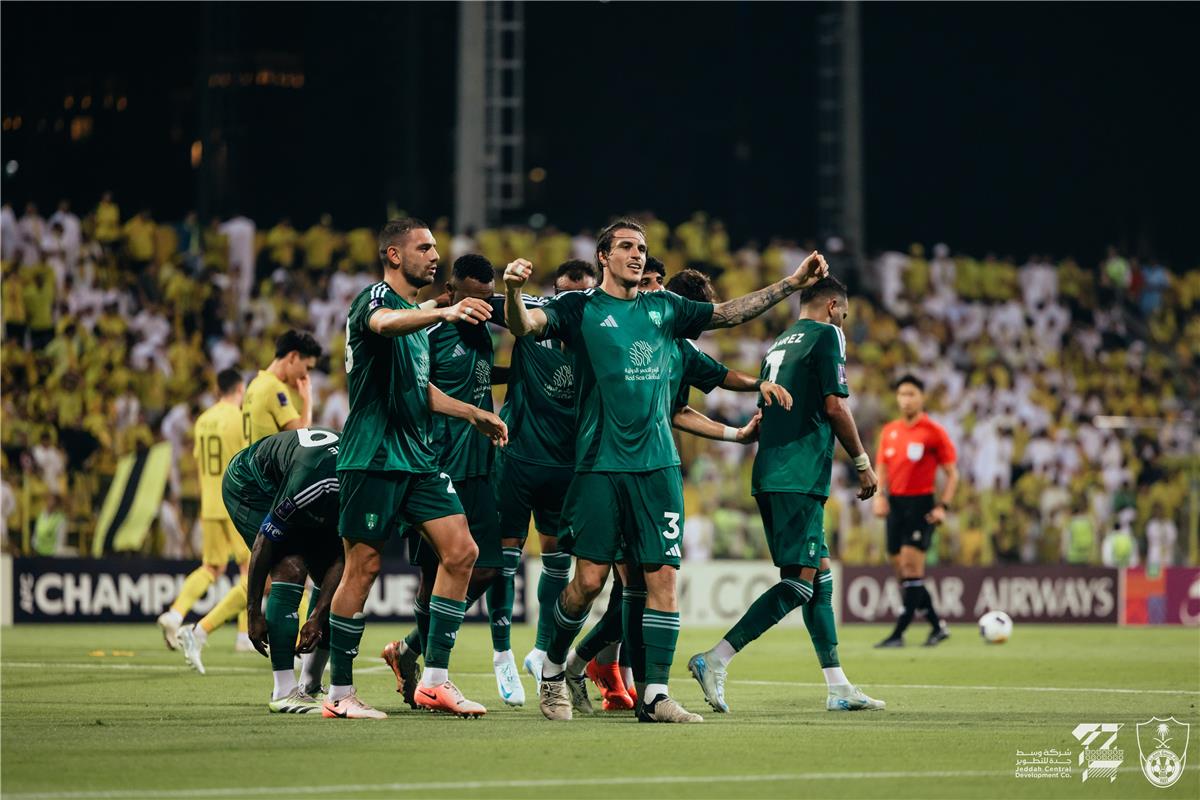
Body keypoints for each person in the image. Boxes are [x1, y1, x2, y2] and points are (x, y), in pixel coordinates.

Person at [502, 218, 828, 723]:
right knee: (587, 582)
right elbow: (524, 327)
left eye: (642, 248)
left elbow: (725, 314)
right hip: (597, 466)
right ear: (604, 256)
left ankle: (654, 695)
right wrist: (512, 291)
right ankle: (551, 671)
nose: (637, 255)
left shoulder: (665, 309)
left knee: (663, 580)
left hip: (658, 467)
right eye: (627, 247)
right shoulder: (578, 308)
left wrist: (790, 284)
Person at [569, 265, 791, 713]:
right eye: (646, 283)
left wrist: (738, 428)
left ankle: (623, 680)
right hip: (606, 468)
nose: (647, 291)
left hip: (652, 471)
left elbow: (685, 404)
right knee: (618, 586)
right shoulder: (632, 329)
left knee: (641, 586)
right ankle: (575, 664)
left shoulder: (674, 346)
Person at [325, 218, 507, 720]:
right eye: (423, 247)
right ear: (393, 255)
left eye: (435, 247)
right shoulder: (375, 299)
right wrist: (443, 312)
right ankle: (339, 694)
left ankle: (434, 681)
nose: (434, 255)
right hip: (373, 455)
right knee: (362, 568)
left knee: (464, 552)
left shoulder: (417, 317)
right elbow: (382, 325)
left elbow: (420, 390)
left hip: (418, 457)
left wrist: (474, 412)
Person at [689, 276, 886, 714]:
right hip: (798, 472)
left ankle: (837, 685)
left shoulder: (778, 342)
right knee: (799, 584)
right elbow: (836, 405)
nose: (844, 322)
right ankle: (716, 658)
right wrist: (861, 461)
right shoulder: (828, 334)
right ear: (834, 305)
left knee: (820, 578)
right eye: (846, 314)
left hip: (771, 469)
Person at [381, 254, 516, 708]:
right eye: (474, 299)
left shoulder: (486, 333)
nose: (483, 308)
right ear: (454, 292)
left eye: (488, 299)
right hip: (438, 462)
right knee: (431, 575)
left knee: (488, 566)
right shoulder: (430, 331)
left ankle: (410, 650)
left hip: (479, 464)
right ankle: (421, 664)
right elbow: (419, 391)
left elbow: (478, 379)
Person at [222, 427, 345, 713]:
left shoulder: (362, 485)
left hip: (297, 477)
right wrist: (253, 613)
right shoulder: (316, 481)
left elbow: (344, 558)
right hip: (250, 484)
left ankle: (310, 684)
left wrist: (316, 615)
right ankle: (283, 690)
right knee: (291, 566)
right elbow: (263, 543)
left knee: (338, 575)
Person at [165, 369, 251, 661]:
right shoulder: (240, 419)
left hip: (209, 503)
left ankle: (175, 614)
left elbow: (199, 461)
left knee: (211, 567)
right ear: (240, 389)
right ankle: (243, 636)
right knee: (249, 569)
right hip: (235, 503)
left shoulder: (202, 421)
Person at [872, 374, 959, 648]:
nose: (905, 399)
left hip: (920, 504)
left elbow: (952, 474)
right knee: (903, 573)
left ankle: (898, 633)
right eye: (902, 394)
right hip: (895, 505)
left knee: (911, 567)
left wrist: (943, 506)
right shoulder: (889, 431)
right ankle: (937, 626)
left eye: (911, 394)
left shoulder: (934, 431)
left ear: (922, 398)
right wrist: (879, 496)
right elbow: (882, 468)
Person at [242, 330, 322, 444]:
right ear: (293, 357)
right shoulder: (273, 387)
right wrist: (308, 398)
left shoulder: (254, 384)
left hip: (250, 459)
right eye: (307, 368)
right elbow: (303, 436)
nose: (306, 375)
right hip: (265, 461)